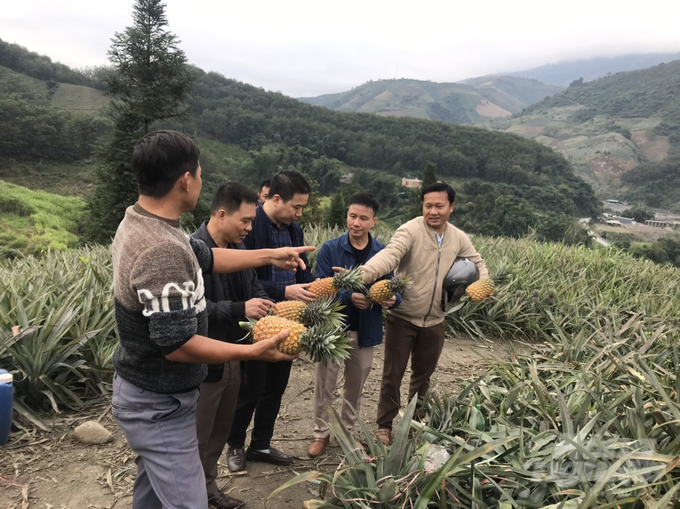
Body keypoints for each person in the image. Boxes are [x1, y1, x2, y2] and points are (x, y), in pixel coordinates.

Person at [111, 130, 313, 509]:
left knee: (152, 496)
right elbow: (177, 345)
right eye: (200, 172)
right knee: (189, 503)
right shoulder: (162, 249)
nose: (201, 180)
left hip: (148, 389)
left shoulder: (142, 221)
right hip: (159, 399)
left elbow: (209, 258)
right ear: (186, 180)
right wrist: (255, 352)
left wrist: (269, 255)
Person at [357, 181, 490, 446]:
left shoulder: (458, 237)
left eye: (439, 206)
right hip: (403, 317)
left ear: (451, 207)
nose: (433, 211)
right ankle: (384, 425)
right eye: (427, 205)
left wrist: (484, 283)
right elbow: (389, 256)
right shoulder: (410, 230)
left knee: (423, 377)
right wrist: (362, 275)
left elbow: (477, 262)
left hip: (436, 320)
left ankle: (417, 421)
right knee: (392, 375)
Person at [191, 182, 275, 509]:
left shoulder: (240, 253)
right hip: (202, 360)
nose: (250, 228)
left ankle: (208, 490)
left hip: (233, 358)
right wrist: (240, 309)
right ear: (222, 215)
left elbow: (256, 290)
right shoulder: (191, 251)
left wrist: (269, 307)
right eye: (245, 221)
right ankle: (191, 497)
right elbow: (192, 311)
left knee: (219, 432)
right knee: (197, 437)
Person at [227, 170, 316, 472]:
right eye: (296, 206)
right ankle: (235, 444)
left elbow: (300, 273)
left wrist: (312, 287)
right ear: (276, 199)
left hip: (288, 322)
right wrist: (283, 290)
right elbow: (247, 278)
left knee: (276, 386)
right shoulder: (251, 229)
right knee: (250, 387)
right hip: (259, 321)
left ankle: (261, 444)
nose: (299, 213)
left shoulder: (294, 230)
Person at [308, 193, 401, 457]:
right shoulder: (330, 249)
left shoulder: (383, 253)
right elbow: (319, 287)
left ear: (374, 221)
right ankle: (321, 433)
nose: (356, 223)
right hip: (331, 330)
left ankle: (347, 433)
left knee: (355, 386)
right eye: (352, 216)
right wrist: (350, 296)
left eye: (363, 218)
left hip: (366, 330)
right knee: (324, 384)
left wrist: (393, 299)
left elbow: (394, 288)